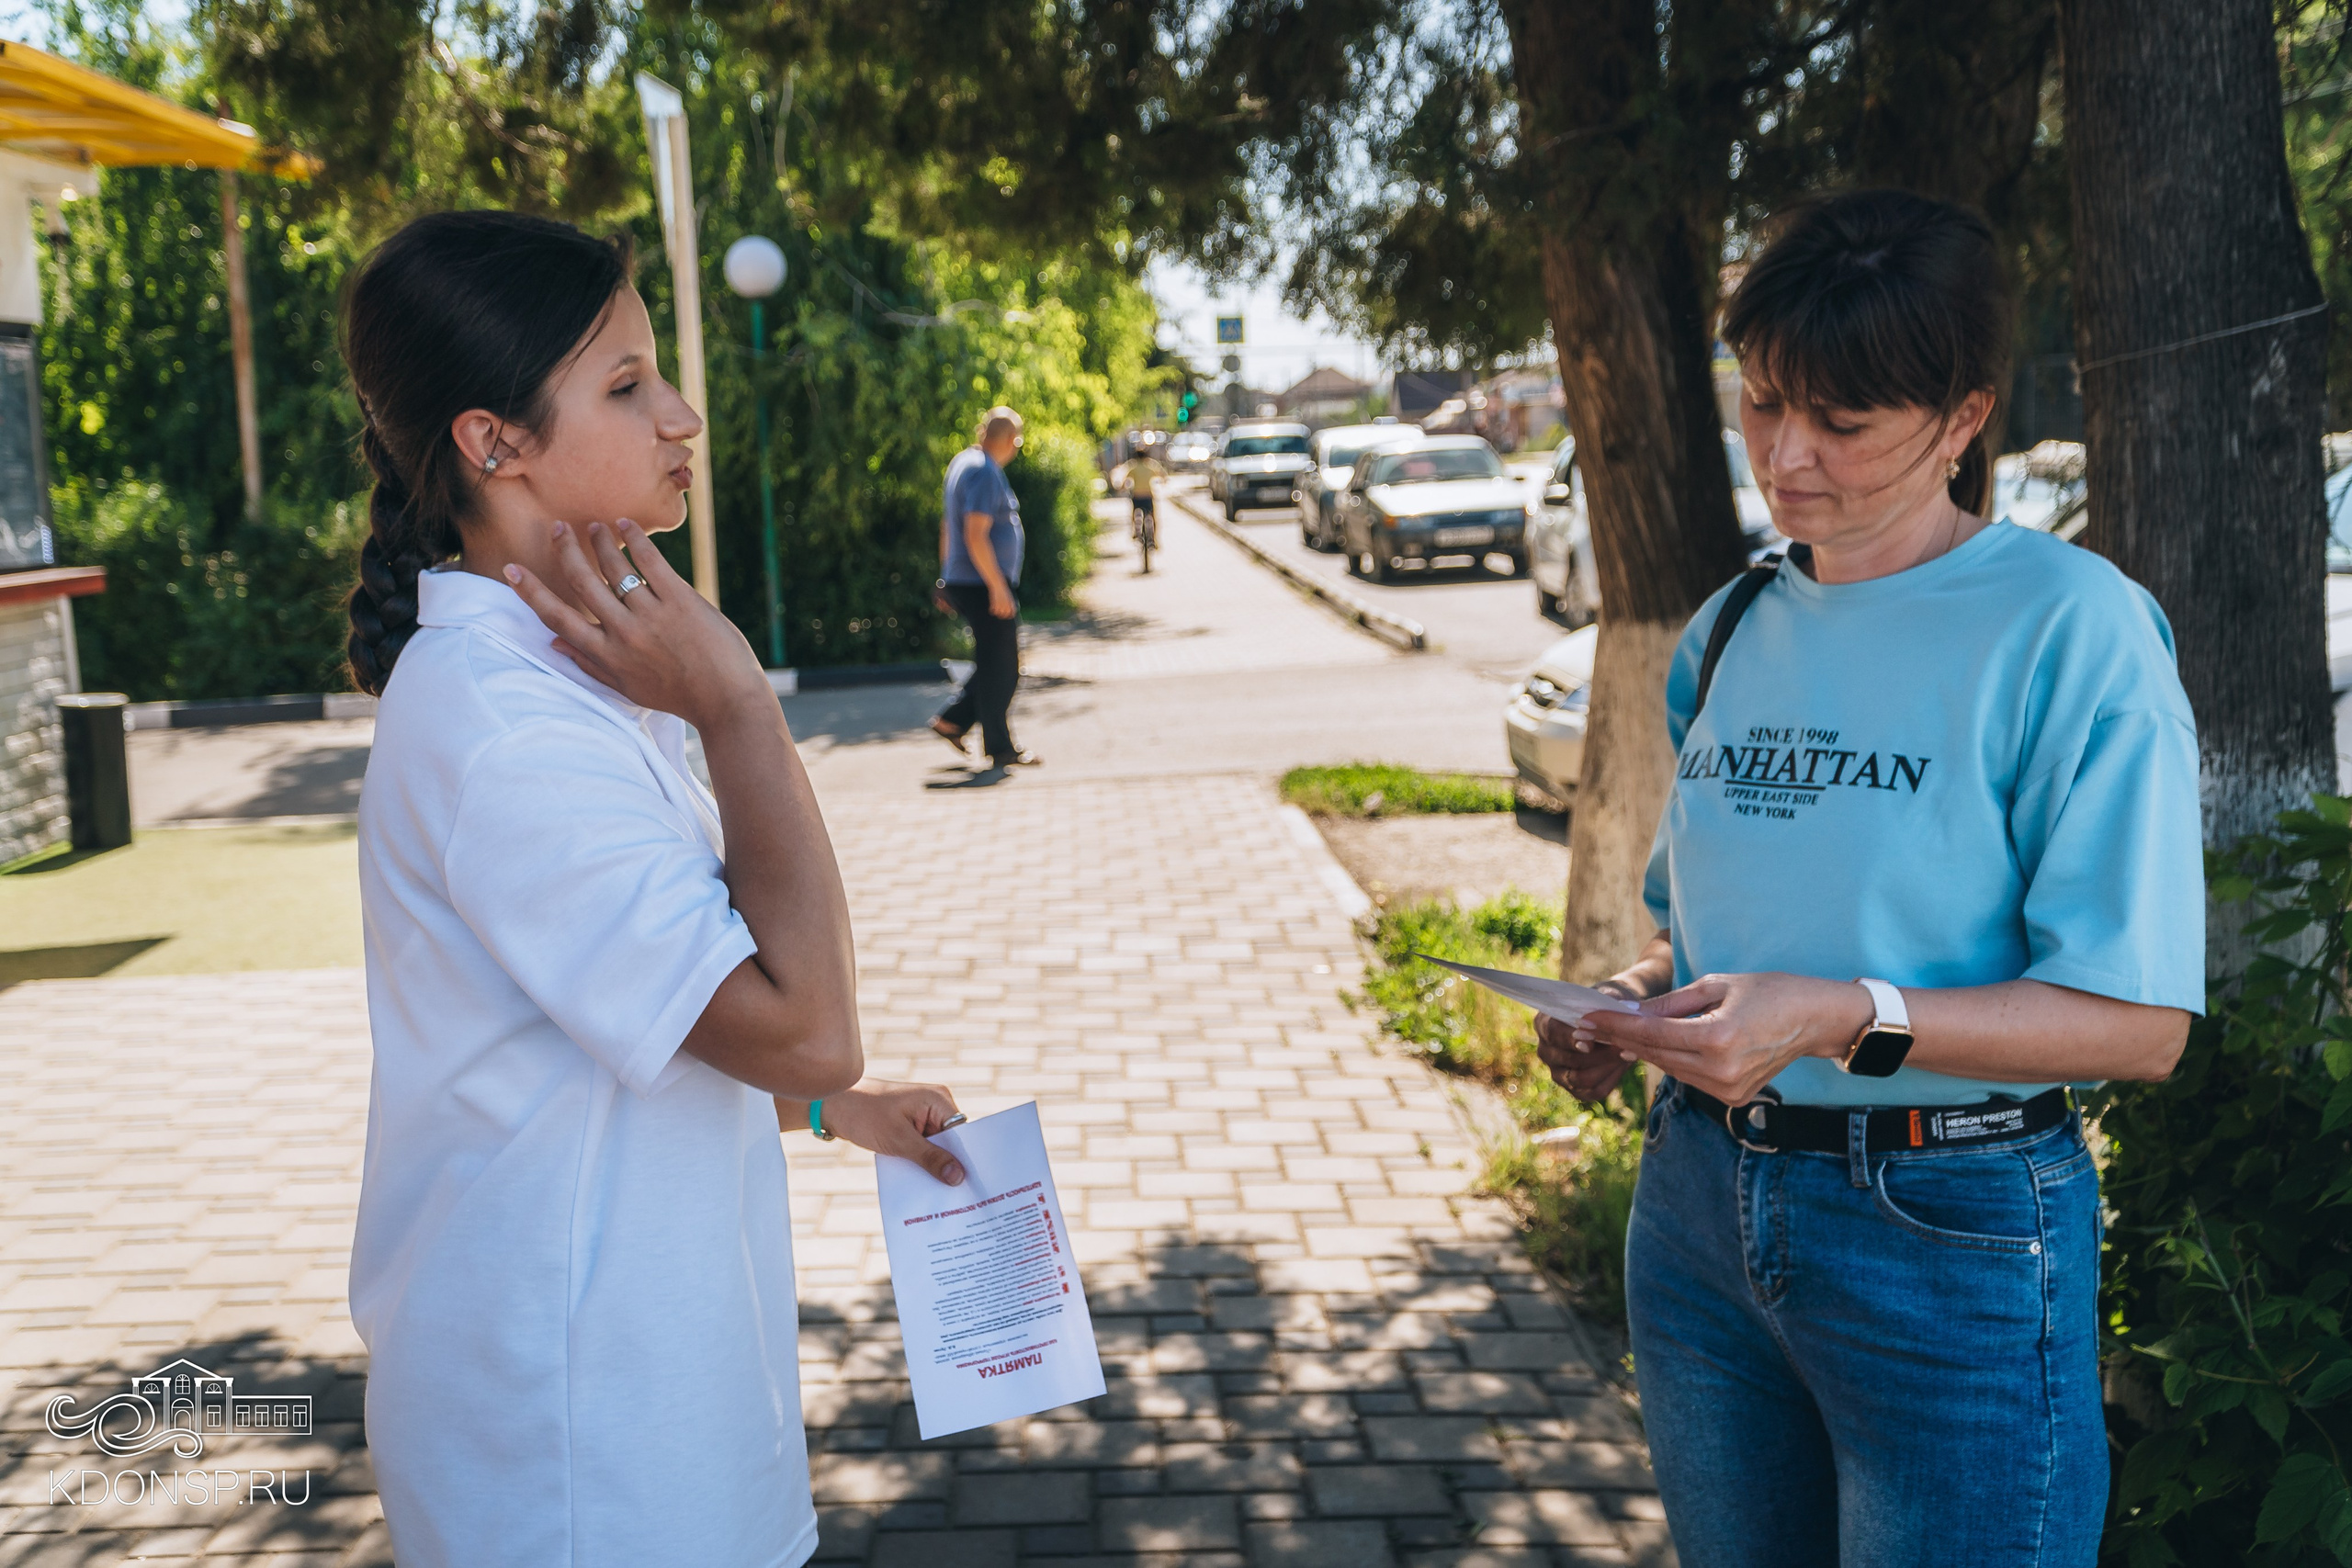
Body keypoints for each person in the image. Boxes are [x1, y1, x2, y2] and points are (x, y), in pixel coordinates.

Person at [1535, 189, 2202, 1567]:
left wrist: (1838, 1013)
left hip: (1946, 1234)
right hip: (1699, 1218)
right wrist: (1627, 1003)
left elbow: (2138, 1024)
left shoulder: (2072, 628)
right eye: (1764, 400)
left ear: (1964, 418)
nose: (1786, 456)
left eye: (1844, 423)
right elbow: (1692, 932)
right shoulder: (1729, 626)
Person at [340, 209, 970, 1568]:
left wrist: (822, 1104)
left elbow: (644, 1002)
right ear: (489, 438)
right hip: (579, 1456)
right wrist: (739, 702)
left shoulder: (576, 680)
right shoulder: (510, 727)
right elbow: (804, 1016)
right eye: (626, 385)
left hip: (652, 1412)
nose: (681, 414)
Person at [931, 406, 1036, 768]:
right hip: (981, 581)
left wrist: (945, 578)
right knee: (1004, 667)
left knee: (995, 662)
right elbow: (974, 534)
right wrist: (997, 587)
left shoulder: (964, 462)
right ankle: (1000, 748)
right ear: (1012, 440)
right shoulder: (984, 471)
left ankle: (955, 721)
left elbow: (949, 527)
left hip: (966, 578)